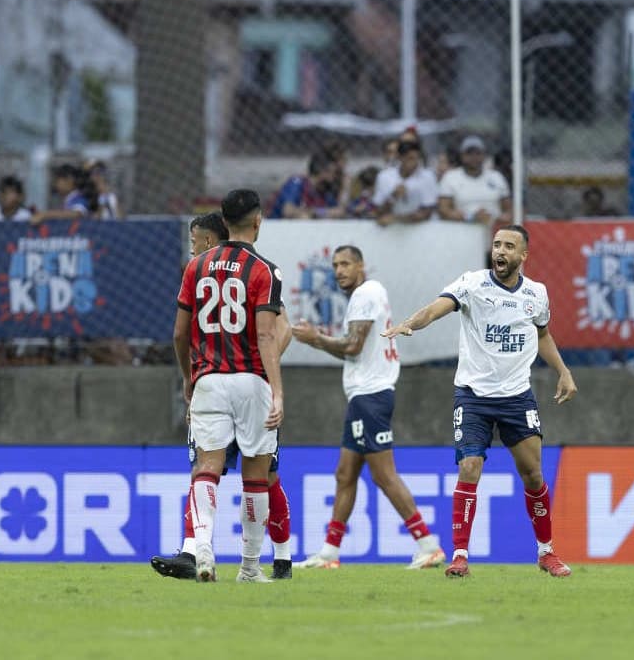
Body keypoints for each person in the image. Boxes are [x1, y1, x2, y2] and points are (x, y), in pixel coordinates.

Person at [383, 225, 578, 578]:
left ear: (523, 256)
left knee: (533, 474)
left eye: (509, 246)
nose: (500, 251)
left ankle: (546, 552)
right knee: (470, 466)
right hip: (473, 396)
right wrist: (412, 323)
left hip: (517, 396)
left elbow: (543, 334)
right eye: (497, 245)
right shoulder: (472, 284)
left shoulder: (536, 294)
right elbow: (437, 308)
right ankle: (460, 555)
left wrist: (563, 371)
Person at [151, 211, 297, 581]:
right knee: (258, 474)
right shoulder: (260, 270)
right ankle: (245, 565)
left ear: (212, 240)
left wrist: (189, 378)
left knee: (211, 468)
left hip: (209, 381)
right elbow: (275, 332)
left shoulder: (197, 270)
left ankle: (226, 553)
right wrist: (270, 378)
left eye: (195, 239)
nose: (192, 245)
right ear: (256, 223)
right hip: (250, 384)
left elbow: (180, 334)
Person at [288, 245, 446, 570]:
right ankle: (329, 554)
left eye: (346, 263)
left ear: (361, 265)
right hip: (365, 395)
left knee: (384, 475)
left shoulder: (365, 294)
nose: (339, 270)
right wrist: (319, 341)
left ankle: (428, 545)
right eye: (335, 265)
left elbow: (353, 344)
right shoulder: (370, 294)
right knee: (345, 474)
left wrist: (315, 337)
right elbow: (354, 352)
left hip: (370, 397)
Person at [437, 136, 510, 225]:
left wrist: (497, 218)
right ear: (462, 156)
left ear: (484, 155)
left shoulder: (496, 177)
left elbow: (508, 208)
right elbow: (443, 210)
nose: (474, 157)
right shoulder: (450, 177)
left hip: (493, 231)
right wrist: (470, 217)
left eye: (478, 153)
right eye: (469, 153)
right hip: (461, 231)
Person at [374, 141, 437, 225]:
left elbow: (427, 212)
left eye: (417, 158)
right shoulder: (384, 176)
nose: (415, 162)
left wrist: (397, 218)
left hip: (420, 230)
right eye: (410, 158)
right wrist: (393, 196)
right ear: (399, 157)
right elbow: (378, 210)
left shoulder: (428, 176)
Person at [271, 151, 340, 219]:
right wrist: (316, 212)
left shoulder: (324, 191)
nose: (334, 177)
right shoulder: (297, 183)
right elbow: (288, 211)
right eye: (332, 173)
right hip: (278, 226)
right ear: (321, 171)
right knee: (303, 218)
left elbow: (338, 211)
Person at [31, 164, 98, 224]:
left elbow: (77, 214)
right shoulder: (68, 200)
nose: (55, 184)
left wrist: (45, 215)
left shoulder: (78, 197)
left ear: (69, 180)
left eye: (57, 181)